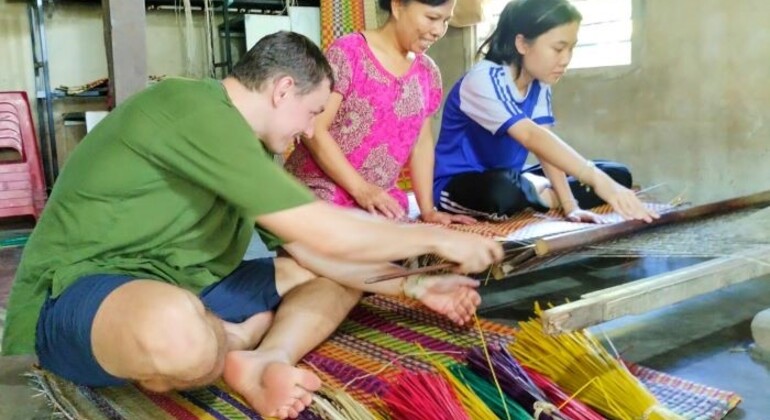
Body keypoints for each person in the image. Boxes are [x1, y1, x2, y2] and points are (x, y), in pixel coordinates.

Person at [2, 32, 503, 419]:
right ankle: (235, 345)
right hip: (80, 296)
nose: (310, 130)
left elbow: (314, 253)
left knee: (335, 275)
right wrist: (433, 235)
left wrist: (413, 284)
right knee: (176, 331)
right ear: (284, 89)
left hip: (190, 288)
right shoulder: (191, 107)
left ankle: (268, 357)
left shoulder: (252, 151)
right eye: (311, 113)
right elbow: (321, 228)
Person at [432, 0, 659, 223]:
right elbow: (531, 136)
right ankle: (535, 190)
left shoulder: (539, 83)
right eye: (558, 48)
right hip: (461, 185)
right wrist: (595, 179)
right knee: (502, 192)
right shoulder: (483, 79)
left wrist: (571, 205)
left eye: (571, 48)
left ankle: (535, 191)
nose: (566, 59)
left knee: (617, 174)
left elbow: (545, 145)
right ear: (522, 44)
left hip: (514, 177)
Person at [284, 0, 474, 224]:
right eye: (432, 18)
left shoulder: (428, 72)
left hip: (377, 198)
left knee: (406, 242)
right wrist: (361, 189)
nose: (439, 31)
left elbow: (421, 145)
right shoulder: (349, 52)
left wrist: (428, 210)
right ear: (397, 6)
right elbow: (314, 128)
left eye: (445, 21)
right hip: (321, 187)